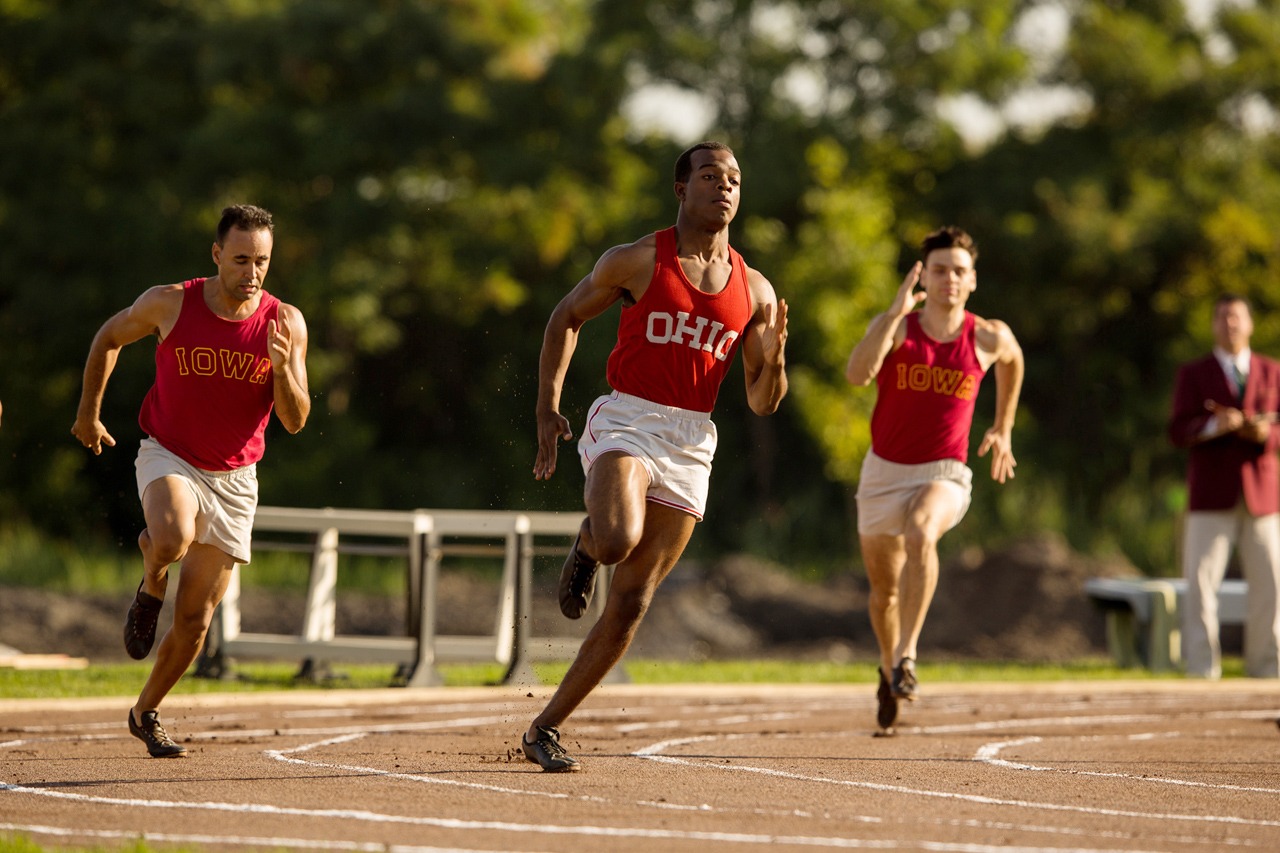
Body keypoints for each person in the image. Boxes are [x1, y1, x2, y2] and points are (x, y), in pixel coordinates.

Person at [523, 141, 789, 771]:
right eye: (709, 175)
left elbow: (762, 401)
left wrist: (776, 359)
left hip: (693, 440)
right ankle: (590, 543)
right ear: (681, 189)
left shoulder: (755, 289)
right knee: (618, 539)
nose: (724, 187)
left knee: (632, 602)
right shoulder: (639, 259)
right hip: (629, 418)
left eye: (734, 179)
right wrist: (546, 406)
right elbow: (565, 317)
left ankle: (543, 728)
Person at [71, 204, 310, 757]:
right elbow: (109, 337)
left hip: (236, 478)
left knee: (196, 621)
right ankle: (153, 577)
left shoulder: (285, 322)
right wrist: (88, 413)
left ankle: (145, 712)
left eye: (262, 261)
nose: (252, 272)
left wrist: (281, 370)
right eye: (241, 259)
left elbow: (296, 420)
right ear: (217, 255)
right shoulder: (171, 302)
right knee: (173, 536)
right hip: (170, 456)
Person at [845, 226, 1023, 734]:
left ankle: (908, 654)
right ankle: (888, 667)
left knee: (922, 532)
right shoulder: (898, 328)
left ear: (972, 280)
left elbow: (1013, 360)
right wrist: (893, 313)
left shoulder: (988, 335)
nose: (950, 279)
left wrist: (1003, 426)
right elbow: (857, 375)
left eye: (959, 271)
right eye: (940, 270)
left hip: (945, 472)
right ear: (924, 278)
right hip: (883, 472)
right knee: (884, 594)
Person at [1167, 294, 1280, 679]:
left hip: (1262, 496)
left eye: (1235, 317)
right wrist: (1214, 426)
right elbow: (1177, 430)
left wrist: (1263, 434)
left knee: (1271, 584)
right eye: (1221, 317)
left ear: (1249, 323)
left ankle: (1267, 668)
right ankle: (1202, 668)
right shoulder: (1193, 373)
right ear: (1213, 325)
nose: (1229, 324)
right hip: (1210, 494)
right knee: (1201, 583)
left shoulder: (1272, 371)